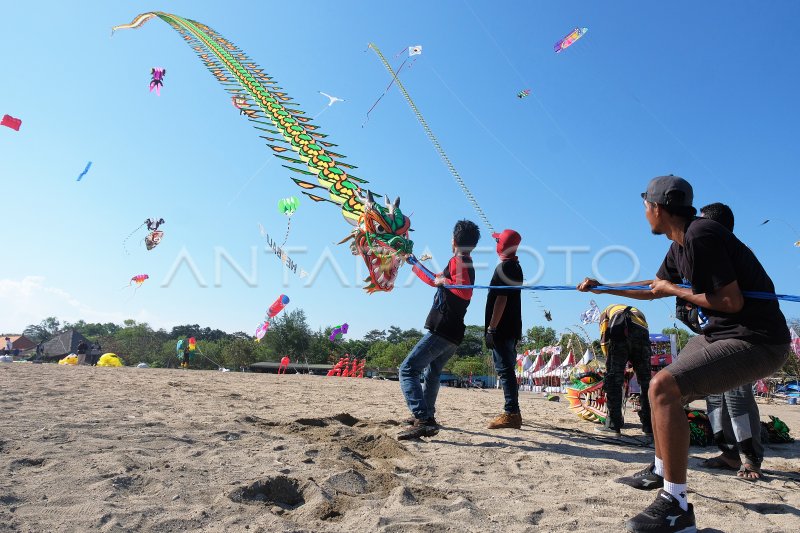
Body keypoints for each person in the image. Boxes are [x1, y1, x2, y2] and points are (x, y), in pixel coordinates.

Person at [577, 175, 789, 533]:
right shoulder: (680, 242)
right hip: (720, 334)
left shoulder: (701, 234)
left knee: (662, 387)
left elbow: (730, 301)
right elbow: (654, 286)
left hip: (758, 340)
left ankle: (676, 506)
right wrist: (605, 285)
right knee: (657, 390)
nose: (644, 213)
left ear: (658, 209)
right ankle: (661, 471)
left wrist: (674, 289)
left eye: (645, 206)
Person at [680, 203, 766, 480]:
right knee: (714, 396)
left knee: (738, 398)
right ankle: (728, 453)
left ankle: (750, 459)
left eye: (701, 223)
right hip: (714, 336)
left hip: (741, 337)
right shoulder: (701, 252)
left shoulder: (737, 253)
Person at [397, 219, 480, 440]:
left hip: (443, 330)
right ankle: (427, 415)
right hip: (453, 333)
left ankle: (423, 419)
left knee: (407, 370)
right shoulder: (464, 261)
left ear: (453, 241)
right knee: (432, 373)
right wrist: (414, 264)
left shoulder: (459, 260)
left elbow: (464, 292)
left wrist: (445, 281)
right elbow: (436, 281)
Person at [484, 229, 525, 429]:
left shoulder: (505, 268)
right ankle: (513, 411)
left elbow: (501, 299)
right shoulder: (515, 266)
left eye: (498, 241)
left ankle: (511, 413)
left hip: (502, 328)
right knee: (507, 370)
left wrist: (492, 328)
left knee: (505, 370)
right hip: (511, 327)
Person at [595, 304, 653, 437]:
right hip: (643, 334)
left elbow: (604, 340)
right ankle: (649, 426)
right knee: (646, 383)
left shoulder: (606, 311)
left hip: (622, 330)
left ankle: (613, 426)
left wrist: (610, 362)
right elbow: (641, 342)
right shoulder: (638, 312)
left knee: (614, 380)